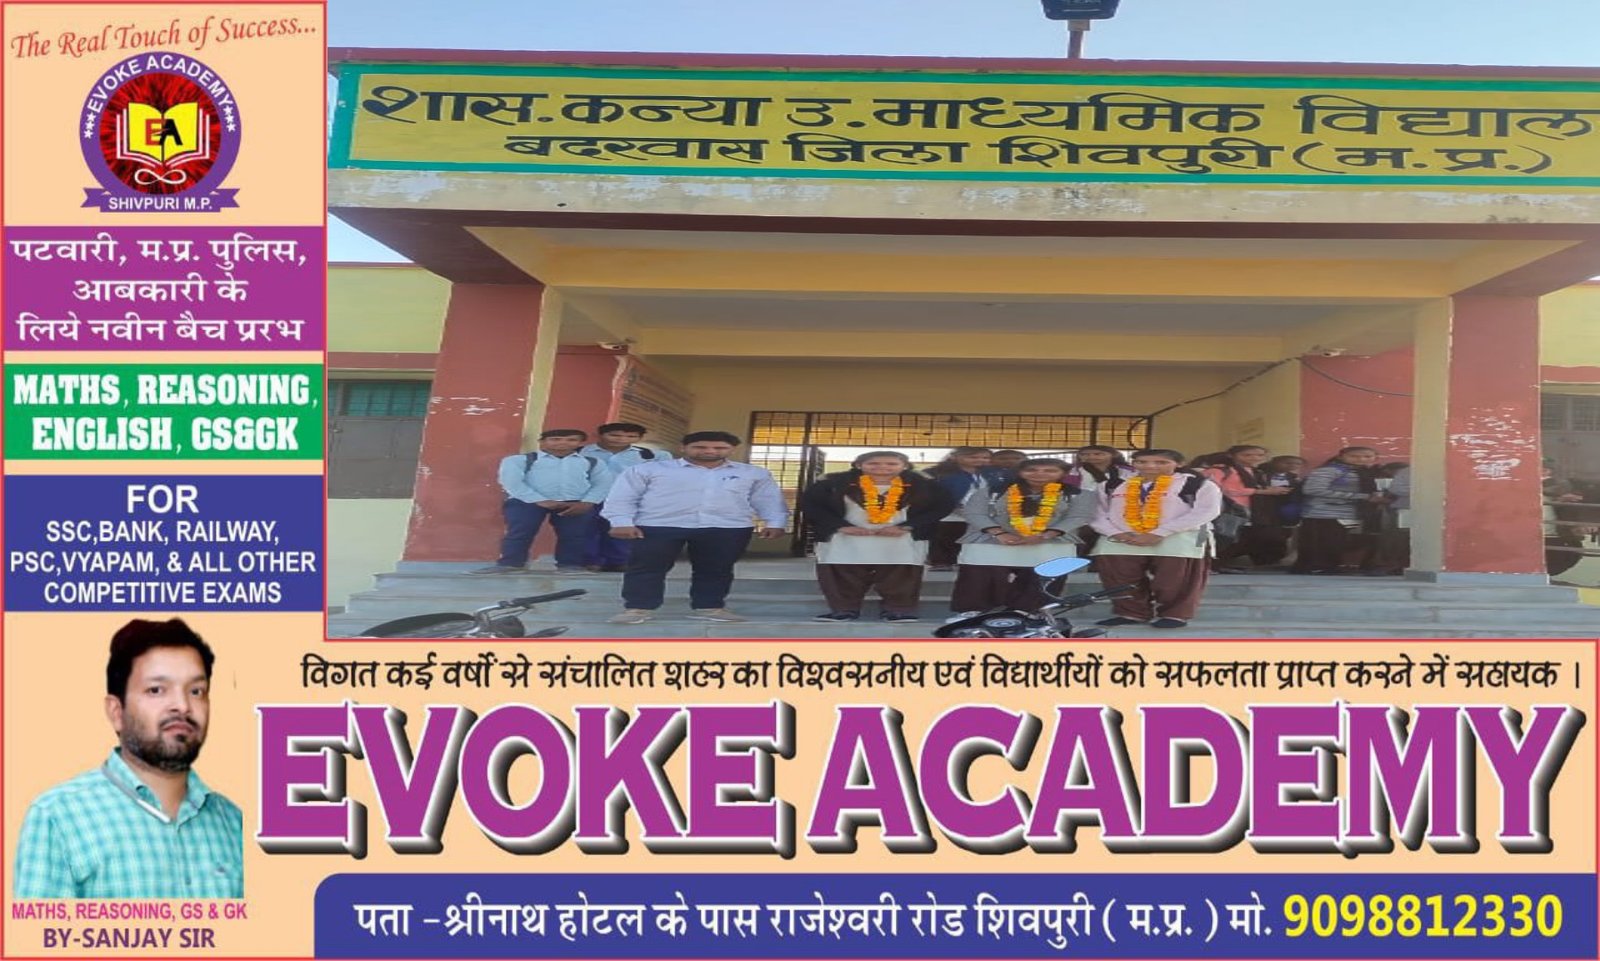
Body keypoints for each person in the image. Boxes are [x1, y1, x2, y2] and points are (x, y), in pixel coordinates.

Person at [13, 619, 243, 898]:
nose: (183, 706)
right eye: (156, 690)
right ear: (116, 712)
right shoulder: (58, 817)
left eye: (196, 691)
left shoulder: (234, 822)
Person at [602, 431, 788, 624]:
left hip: (727, 526)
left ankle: (710, 607)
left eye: (719, 448)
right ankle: (637, 609)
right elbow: (622, 496)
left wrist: (775, 522)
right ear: (683, 448)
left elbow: (768, 499)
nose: (710, 451)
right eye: (700, 447)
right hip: (658, 525)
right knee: (647, 567)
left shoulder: (753, 473)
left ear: (732, 449)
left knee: (717, 569)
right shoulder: (648, 470)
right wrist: (621, 522)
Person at [803, 451, 956, 622]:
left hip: (901, 537)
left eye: (891, 464)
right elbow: (813, 506)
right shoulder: (833, 483)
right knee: (842, 574)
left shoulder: (924, 484)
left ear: (905, 466)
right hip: (845, 537)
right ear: (859, 465)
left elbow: (941, 507)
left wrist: (909, 526)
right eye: (873, 463)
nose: (882, 468)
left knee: (900, 576)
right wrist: (840, 526)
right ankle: (844, 609)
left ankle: (898, 610)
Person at [947, 458, 1100, 618]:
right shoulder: (990, 491)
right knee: (979, 577)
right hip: (991, 540)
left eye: (1050, 471)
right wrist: (999, 533)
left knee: (1041, 579)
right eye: (1031, 470)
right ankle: (972, 612)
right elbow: (974, 513)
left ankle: (1027, 613)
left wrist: (1045, 535)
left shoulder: (1079, 494)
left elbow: (1079, 516)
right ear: (1020, 472)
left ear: (1063, 473)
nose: (1039, 474)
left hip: (1051, 541)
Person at [1090, 449, 1223, 629]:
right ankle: (1131, 612)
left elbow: (1206, 512)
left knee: (1175, 579)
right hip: (1122, 535)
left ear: (1179, 464)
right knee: (1120, 576)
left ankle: (1174, 614)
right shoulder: (1113, 484)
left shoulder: (1197, 484)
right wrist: (1115, 533)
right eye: (1141, 462)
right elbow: (1097, 513)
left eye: (1161, 462)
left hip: (1181, 534)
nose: (1150, 466)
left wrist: (1160, 532)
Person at [474, 429, 614, 575]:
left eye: (572, 440)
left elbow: (603, 484)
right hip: (526, 502)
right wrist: (540, 500)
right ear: (542, 442)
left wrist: (588, 502)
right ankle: (510, 564)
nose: (563, 443)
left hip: (574, 503)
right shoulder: (518, 460)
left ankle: (570, 565)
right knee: (520, 533)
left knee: (575, 535)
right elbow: (511, 483)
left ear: (580, 443)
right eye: (555, 439)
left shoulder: (592, 462)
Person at [1290, 446, 1390, 575]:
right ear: (1341, 457)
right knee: (1323, 543)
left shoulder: (1367, 472)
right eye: (1354, 456)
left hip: (1349, 513)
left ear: (1375, 458)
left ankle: (1329, 567)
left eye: (1367, 456)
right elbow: (1312, 490)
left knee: (1338, 542)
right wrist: (1363, 497)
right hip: (1323, 513)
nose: (1361, 459)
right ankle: (1317, 567)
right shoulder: (1329, 470)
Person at [1202, 445, 1293, 573]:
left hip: (1251, 511)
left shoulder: (1257, 472)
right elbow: (1222, 490)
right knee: (1223, 537)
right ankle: (1211, 565)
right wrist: (1260, 491)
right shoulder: (1220, 470)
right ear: (1231, 456)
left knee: (1240, 539)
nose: (1254, 458)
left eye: (1260, 455)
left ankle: (1223, 563)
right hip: (1227, 510)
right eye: (1247, 455)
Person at [581, 422, 656, 572]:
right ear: (599, 435)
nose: (622, 439)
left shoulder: (648, 455)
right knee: (587, 530)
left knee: (620, 528)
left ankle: (619, 561)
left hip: (626, 499)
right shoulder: (581, 452)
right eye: (614, 435)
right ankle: (591, 561)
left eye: (631, 436)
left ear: (640, 438)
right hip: (588, 497)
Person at [923, 447, 1004, 571]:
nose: (980, 460)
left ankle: (965, 562)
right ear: (955, 457)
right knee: (946, 537)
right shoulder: (939, 473)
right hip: (948, 513)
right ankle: (941, 562)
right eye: (973, 457)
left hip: (979, 512)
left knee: (972, 538)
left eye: (985, 457)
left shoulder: (992, 474)